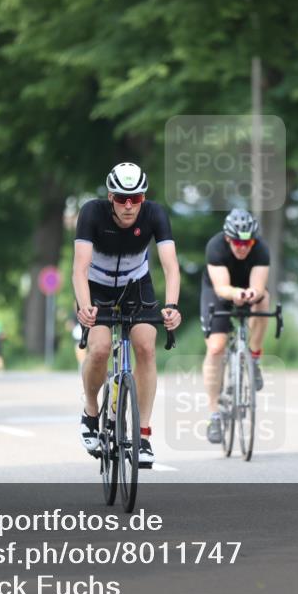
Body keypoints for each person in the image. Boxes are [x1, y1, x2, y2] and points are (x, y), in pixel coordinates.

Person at [73, 162, 182, 468]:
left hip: (137, 285)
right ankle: (91, 412)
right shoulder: (91, 213)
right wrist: (84, 307)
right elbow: (79, 269)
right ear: (111, 196)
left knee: (146, 347)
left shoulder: (155, 214)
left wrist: (172, 307)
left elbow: (171, 267)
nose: (129, 205)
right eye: (122, 198)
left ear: (144, 197)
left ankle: (143, 435)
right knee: (99, 349)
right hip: (96, 287)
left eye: (136, 198)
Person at [201, 209, 271, 444]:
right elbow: (221, 288)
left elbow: (259, 286)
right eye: (237, 242)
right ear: (228, 238)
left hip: (246, 287)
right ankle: (214, 415)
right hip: (218, 291)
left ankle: (254, 356)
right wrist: (236, 293)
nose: (243, 247)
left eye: (248, 242)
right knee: (216, 348)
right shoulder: (216, 246)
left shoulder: (261, 249)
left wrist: (253, 293)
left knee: (265, 300)